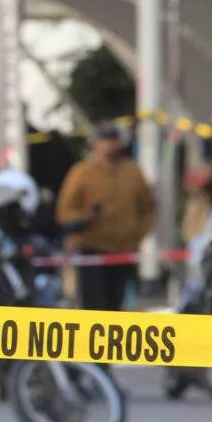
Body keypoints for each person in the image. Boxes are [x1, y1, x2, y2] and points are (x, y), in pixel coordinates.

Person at [55, 121, 157, 312]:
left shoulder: (133, 172)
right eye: (105, 140)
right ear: (95, 144)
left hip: (123, 250)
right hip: (92, 250)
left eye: (113, 140)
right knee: (94, 306)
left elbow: (148, 208)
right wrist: (85, 218)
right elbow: (65, 210)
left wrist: (137, 235)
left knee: (118, 304)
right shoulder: (81, 172)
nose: (110, 145)